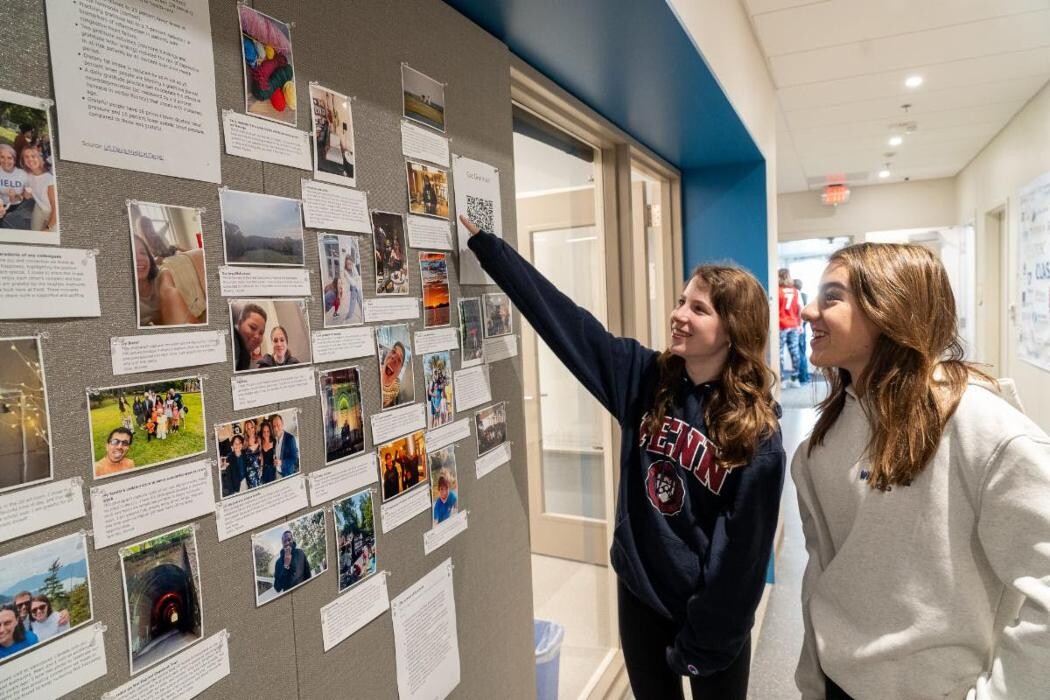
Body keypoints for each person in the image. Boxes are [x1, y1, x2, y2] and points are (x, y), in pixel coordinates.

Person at [460, 215, 784, 699]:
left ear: (733, 329)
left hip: (713, 614)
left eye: (698, 308)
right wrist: (491, 249)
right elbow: (567, 323)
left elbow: (743, 557)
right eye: (680, 301)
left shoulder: (756, 431)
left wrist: (704, 640)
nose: (679, 314)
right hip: (641, 595)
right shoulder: (643, 377)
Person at [792, 243, 1050, 699]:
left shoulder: (986, 431)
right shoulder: (819, 447)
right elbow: (822, 572)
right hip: (840, 682)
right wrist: (814, 677)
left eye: (832, 297)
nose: (809, 311)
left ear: (889, 309)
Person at [133, 232, 207, 327]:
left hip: (168, 253)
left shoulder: (162, 274)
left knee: (176, 248)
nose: (140, 258)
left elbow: (168, 290)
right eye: (132, 254)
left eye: (143, 253)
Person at [21, 146, 56, 232]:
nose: (30, 159)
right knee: (35, 231)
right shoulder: (28, 175)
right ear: (24, 161)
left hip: (52, 212)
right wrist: (25, 194)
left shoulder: (49, 179)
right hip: (39, 208)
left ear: (39, 158)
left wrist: (48, 227)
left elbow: (56, 207)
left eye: (33, 156)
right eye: (26, 157)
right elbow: (29, 194)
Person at [778, 267, 802, 388]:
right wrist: (800, 324)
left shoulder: (777, 291)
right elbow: (800, 308)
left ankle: (781, 380)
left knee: (780, 353)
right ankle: (795, 378)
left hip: (781, 326)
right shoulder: (796, 291)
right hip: (793, 325)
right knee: (795, 352)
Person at [0, 143, 32, 230]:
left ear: (14, 160)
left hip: (15, 208)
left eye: (9, 158)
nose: (5, 161)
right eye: (2, 157)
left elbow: (26, 194)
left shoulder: (23, 175)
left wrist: (17, 197)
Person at [234, 303, 268, 371]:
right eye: (253, 327)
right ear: (240, 323)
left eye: (261, 333)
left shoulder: (246, 358)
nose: (257, 336)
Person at [380, 341, 407, 409]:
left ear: (399, 371)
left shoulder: (397, 388)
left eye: (399, 359)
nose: (394, 358)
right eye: (393, 351)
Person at [793, 278, 810, 385]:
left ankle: (802, 377)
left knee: (799, 351)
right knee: (802, 351)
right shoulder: (804, 295)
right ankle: (805, 376)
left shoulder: (796, 295)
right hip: (803, 325)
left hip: (798, 326)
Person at [271, 413, 299, 478]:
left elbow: (294, 458)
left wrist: (282, 462)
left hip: (287, 474)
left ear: (282, 423)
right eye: (274, 426)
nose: (276, 428)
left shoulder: (290, 438)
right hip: (278, 472)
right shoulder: (275, 439)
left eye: (278, 425)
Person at [242, 418, 262, 488]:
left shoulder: (259, 439)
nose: (250, 430)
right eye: (248, 428)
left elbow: (262, 455)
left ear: (254, 427)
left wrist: (261, 468)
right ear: (246, 430)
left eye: (252, 427)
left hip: (259, 471)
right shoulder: (244, 443)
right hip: (249, 473)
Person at [259, 419, 277, 484]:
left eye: (268, 431)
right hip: (263, 471)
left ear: (270, 432)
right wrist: (260, 469)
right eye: (264, 431)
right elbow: (261, 457)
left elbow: (277, 456)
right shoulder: (260, 442)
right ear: (262, 432)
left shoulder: (274, 441)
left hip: (272, 471)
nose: (266, 433)